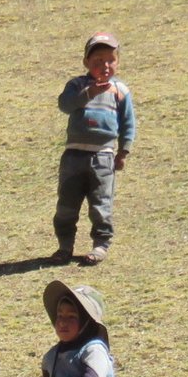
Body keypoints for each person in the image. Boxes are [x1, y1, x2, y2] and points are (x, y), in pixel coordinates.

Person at [54, 33, 136, 266]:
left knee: (101, 204)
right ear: (86, 62)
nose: (105, 65)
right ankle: (65, 246)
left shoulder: (120, 90)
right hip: (74, 156)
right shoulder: (77, 85)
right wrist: (89, 93)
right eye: (98, 60)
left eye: (110, 60)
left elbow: (128, 122)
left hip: (103, 157)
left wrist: (123, 151)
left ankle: (100, 245)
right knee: (66, 205)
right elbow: (65, 104)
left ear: (118, 62)